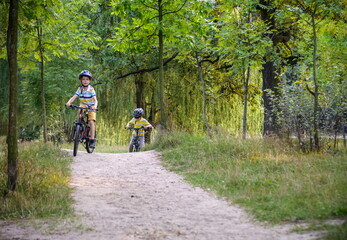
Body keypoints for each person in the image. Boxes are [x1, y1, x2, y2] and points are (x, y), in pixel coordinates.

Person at [66, 70, 98, 147]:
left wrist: (95, 106)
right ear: (81, 80)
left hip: (91, 105)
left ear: (89, 80)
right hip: (83, 104)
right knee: (80, 112)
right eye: (83, 79)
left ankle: (92, 139)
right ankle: (80, 126)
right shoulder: (80, 89)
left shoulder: (91, 89)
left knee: (91, 121)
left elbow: (95, 100)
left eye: (87, 79)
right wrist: (69, 103)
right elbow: (74, 97)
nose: (85, 81)